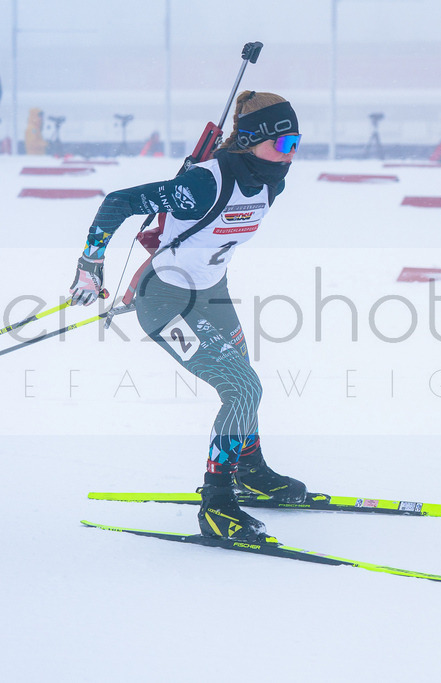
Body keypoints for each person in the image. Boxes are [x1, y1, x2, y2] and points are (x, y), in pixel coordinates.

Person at [68, 91, 306, 541]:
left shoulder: (271, 180)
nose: (289, 156)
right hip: (166, 301)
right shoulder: (204, 184)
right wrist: (89, 266)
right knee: (242, 388)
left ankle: (250, 472)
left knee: (245, 385)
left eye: (296, 144)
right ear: (253, 139)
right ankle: (217, 504)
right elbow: (118, 202)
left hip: (213, 292)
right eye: (282, 144)